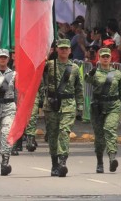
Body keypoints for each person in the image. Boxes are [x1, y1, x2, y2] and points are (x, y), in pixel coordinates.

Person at [85, 48, 121, 173]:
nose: (105, 58)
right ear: (99, 58)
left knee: (110, 130)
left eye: (107, 56)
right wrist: (91, 74)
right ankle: (100, 162)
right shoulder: (95, 72)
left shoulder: (117, 74)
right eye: (103, 56)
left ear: (111, 58)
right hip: (98, 107)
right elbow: (86, 80)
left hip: (113, 106)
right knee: (99, 137)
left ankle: (112, 158)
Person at [43, 39, 83, 177]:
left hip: (68, 105)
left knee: (64, 132)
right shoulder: (49, 65)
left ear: (70, 50)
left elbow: (79, 88)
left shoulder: (75, 68)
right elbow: (38, 75)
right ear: (57, 50)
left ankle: (63, 161)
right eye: (61, 48)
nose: (64, 50)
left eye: (66, 48)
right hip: (52, 104)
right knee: (53, 135)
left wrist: (81, 105)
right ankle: (54, 164)